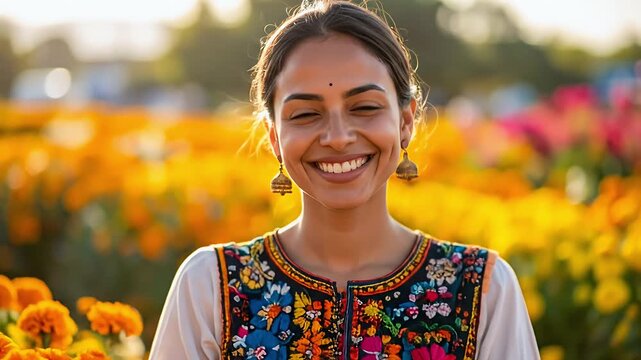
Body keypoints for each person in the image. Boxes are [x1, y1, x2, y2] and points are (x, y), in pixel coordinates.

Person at [149, 1, 540, 359]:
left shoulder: (481, 290)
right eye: (305, 114)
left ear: (406, 123)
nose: (337, 137)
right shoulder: (211, 287)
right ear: (274, 139)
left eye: (365, 107)